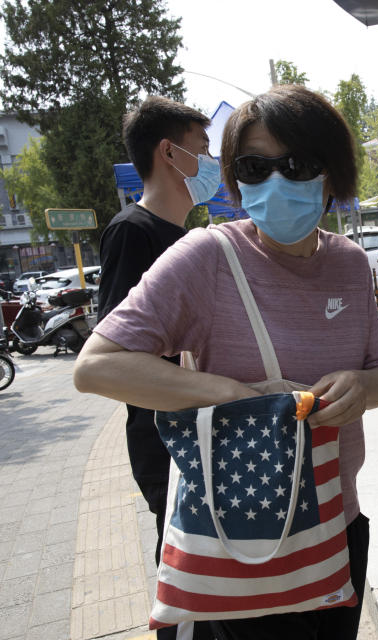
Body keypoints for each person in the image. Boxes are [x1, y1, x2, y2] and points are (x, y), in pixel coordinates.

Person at [74, 84, 378, 639]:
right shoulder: (207, 257)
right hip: (242, 534)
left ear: (331, 172)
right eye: (253, 166)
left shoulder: (348, 262)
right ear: (234, 179)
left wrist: (362, 388)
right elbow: (97, 366)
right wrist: (233, 394)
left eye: (295, 164)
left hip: (338, 528)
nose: (274, 181)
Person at [96, 96, 215, 640]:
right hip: (169, 441)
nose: (212, 162)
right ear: (170, 153)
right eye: (204, 149)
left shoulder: (193, 239)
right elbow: (119, 356)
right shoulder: (133, 233)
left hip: (212, 433)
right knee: (186, 584)